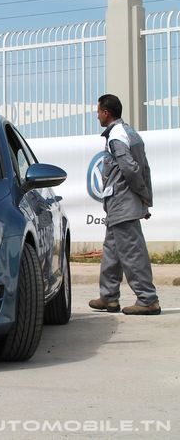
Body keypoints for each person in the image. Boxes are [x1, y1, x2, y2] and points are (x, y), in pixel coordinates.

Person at [89, 94, 159, 315]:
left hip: (122, 203)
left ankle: (148, 299)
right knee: (112, 251)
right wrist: (145, 197)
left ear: (106, 113)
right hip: (121, 204)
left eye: (98, 111)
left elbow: (130, 169)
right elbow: (144, 168)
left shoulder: (116, 137)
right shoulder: (130, 133)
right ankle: (109, 297)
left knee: (132, 252)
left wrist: (142, 196)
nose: (97, 114)